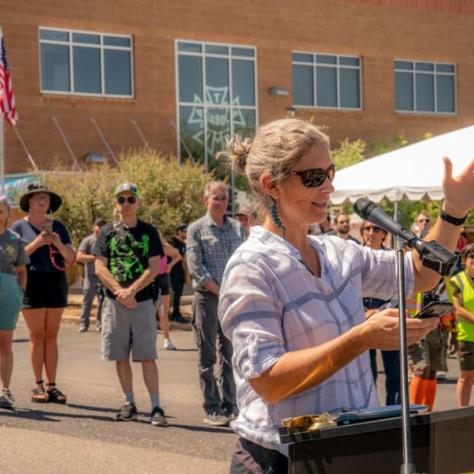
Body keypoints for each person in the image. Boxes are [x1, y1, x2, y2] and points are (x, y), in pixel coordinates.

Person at [217, 118, 473, 472]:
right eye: (314, 177)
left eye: (330, 172)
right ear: (271, 185)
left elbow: (419, 273)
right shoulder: (251, 266)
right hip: (280, 459)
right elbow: (268, 381)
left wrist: (454, 210)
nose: (329, 187)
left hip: (348, 452)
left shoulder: (338, 253)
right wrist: (360, 338)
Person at [94, 182, 168, 426]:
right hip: (116, 303)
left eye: (131, 199)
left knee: (147, 355)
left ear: (138, 203)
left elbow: (154, 267)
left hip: (143, 301)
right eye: (121, 200)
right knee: (120, 355)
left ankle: (156, 406)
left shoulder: (149, 232)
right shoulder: (106, 232)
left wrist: (132, 291)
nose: (126, 204)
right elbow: (100, 266)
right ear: (116, 204)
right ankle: (129, 402)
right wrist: (119, 291)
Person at [187, 181, 244, 426]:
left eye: (223, 197)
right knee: (207, 356)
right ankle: (212, 407)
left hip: (231, 300)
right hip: (208, 299)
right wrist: (221, 292)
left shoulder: (237, 228)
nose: (220, 202)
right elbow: (196, 269)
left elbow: (243, 260)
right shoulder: (196, 229)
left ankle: (230, 404)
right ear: (206, 201)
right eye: (215, 197)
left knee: (230, 355)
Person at [12, 184, 75, 404]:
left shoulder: (58, 226)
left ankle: (52, 385)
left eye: (46, 199)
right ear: (29, 201)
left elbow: (71, 258)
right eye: (38, 198)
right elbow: (16, 257)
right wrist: (39, 242)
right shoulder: (19, 227)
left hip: (56, 282)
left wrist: (56, 240)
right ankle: (37, 384)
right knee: (37, 335)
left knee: (52, 335)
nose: (42, 202)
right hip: (32, 282)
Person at [360, 220, 401, 405]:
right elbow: (347, 289)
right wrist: (363, 312)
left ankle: (393, 415)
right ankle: (371, 413)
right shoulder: (355, 257)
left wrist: (381, 312)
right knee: (367, 374)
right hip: (362, 320)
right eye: (366, 229)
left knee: (394, 374)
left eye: (376, 228)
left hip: (387, 319)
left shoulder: (392, 258)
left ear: (384, 234)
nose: (371, 232)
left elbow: (400, 291)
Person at [0, 196, 28, 409]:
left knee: (5, 343)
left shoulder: (15, 240)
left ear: (8, 213)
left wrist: (19, 294)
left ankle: (4, 390)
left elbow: (21, 271)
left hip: (8, 295)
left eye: (1, 211)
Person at [450, 243, 474, 407]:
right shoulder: (456, 280)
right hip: (466, 336)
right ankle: (463, 413)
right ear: (464, 260)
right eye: (471, 256)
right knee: (466, 377)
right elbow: (458, 309)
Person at [77, 218, 107, 332]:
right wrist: (96, 258)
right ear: (94, 227)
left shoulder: (107, 240)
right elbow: (79, 256)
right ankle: (84, 324)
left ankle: (100, 324)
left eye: (103, 225)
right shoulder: (88, 240)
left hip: (103, 276)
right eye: (98, 225)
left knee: (103, 302)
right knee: (87, 302)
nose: (100, 228)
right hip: (90, 276)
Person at [155, 231, 182, 350]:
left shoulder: (164, 247)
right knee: (147, 311)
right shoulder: (142, 246)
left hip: (161, 280)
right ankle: (146, 340)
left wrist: (170, 265)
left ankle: (167, 339)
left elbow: (177, 256)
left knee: (163, 312)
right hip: (146, 281)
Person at [169, 224, 189, 324]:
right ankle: (175, 314)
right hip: (173, 270)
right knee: (175, 292)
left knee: (179, 292)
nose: (186, 233)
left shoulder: (183, 243)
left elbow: (184, 256)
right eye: (184, 231)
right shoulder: (172, 241)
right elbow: (176, 255)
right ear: (179, 231)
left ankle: (176, 312)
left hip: (180, 269)